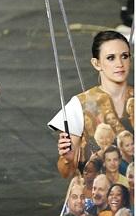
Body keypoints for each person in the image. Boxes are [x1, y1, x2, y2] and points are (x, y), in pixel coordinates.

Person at [51, 31, 133, 179]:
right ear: (96, 64)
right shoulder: (80, 105)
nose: (120, 64)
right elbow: (66, 172)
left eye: (124, 56)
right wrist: (68, 159)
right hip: (95, 198)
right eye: (110, 58)